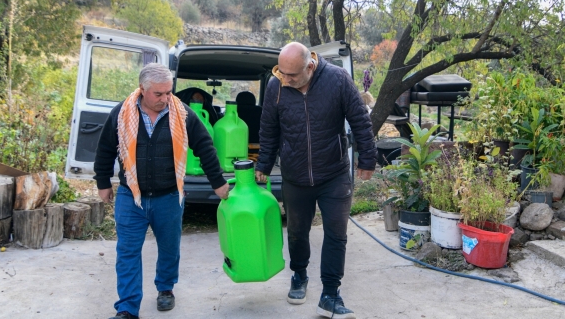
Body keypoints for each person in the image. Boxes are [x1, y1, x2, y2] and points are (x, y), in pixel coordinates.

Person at [94, 63, 229, 319]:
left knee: (169, 248)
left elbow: (205, 147)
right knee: (127, 252)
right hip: (130, 196)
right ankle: (127, 308)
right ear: (143, 89)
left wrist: (218, 182)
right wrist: (102, 182)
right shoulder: (121, 113)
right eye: (159, 94)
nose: (166, 99)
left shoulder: (182, 113)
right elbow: (105, 149)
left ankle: (166, 289)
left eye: (169, 92)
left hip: (168, 196)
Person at [255, 42, 377, 319]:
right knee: (297, 231)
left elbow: (360, 120)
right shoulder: (276, 85)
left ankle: (330, 294)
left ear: (310, 66)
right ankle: (299, 274)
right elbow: (269, 128)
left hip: (333, 173)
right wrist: (263, 163)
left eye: (292, 75)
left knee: (336, 234)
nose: (286, 80)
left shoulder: (337, 80)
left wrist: (368, 159)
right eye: (281, 73)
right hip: (295, 175)